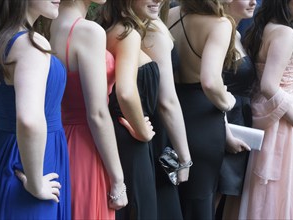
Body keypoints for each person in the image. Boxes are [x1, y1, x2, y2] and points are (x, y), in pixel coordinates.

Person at [49, 0, 127, 219]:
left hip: (55, 142)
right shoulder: (88, 32)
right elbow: (97, 114)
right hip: (86, 147)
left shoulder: (45, 26)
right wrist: (118, 180)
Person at [0, 0, 71, 219]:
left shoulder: (3, 39)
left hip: (6, 154)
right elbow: (29, 119)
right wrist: (36, 184)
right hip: (33, 162)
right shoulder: (30, 44)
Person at [239, 0, 293, 219]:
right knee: (277, 184)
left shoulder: (263, 28)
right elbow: (269, 85)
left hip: (274, 113)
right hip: (282, 119)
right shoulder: (285, 33)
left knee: (267, 184)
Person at [167, 0, 238, 218]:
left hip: (170, 114)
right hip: (203, 120)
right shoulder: (220, 24)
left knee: (172, 201)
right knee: (200, 202)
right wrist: (227, 103)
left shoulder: (169, 15)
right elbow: (210, 81)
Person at [97, 0, 161, 219]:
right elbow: (125, 91)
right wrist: (142, 129)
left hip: (112, 136)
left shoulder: (106, 29)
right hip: (130, 138)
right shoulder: (127, 33)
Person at [142, 1, 192, 219]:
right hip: (155, 134)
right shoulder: (153, 32)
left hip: (140, 130)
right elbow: (167, 100)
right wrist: (184, 157)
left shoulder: (117, 26)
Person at [216, 0, 257, 219]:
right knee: (214, 193)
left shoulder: (238, 35)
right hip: (224, 122)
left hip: (239, 120)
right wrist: (225, 134)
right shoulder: (219, 31)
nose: (253, 1)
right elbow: (214, 86)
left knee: (225, 196)